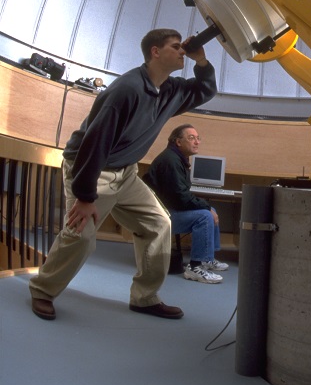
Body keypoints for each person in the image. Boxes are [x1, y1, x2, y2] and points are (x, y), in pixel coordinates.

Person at [29, 28, 217, 321]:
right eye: (176, 47)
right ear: (155, 52)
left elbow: (205, 90)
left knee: (159, 224)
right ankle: (42, 290)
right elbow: (95, 143)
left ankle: (144, 298)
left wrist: (201, 61)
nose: (182, 51)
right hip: (91, 168)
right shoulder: (126, 89)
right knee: (81, 236)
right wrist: (85, 196)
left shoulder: (171, 90)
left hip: (125, 172)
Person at [144, 124, 228, 284]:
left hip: (167, 210)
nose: (197, 142)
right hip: (160, 217)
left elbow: (180, 196)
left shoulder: (176, 159)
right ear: (178, 142)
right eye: (191, 138)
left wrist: (208, 207)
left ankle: (207, 259)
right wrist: (206, 207)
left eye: (198, 138)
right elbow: (180, 197)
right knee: (205, 216)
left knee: (210, 210)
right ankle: (195, 267)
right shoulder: (171, 161)